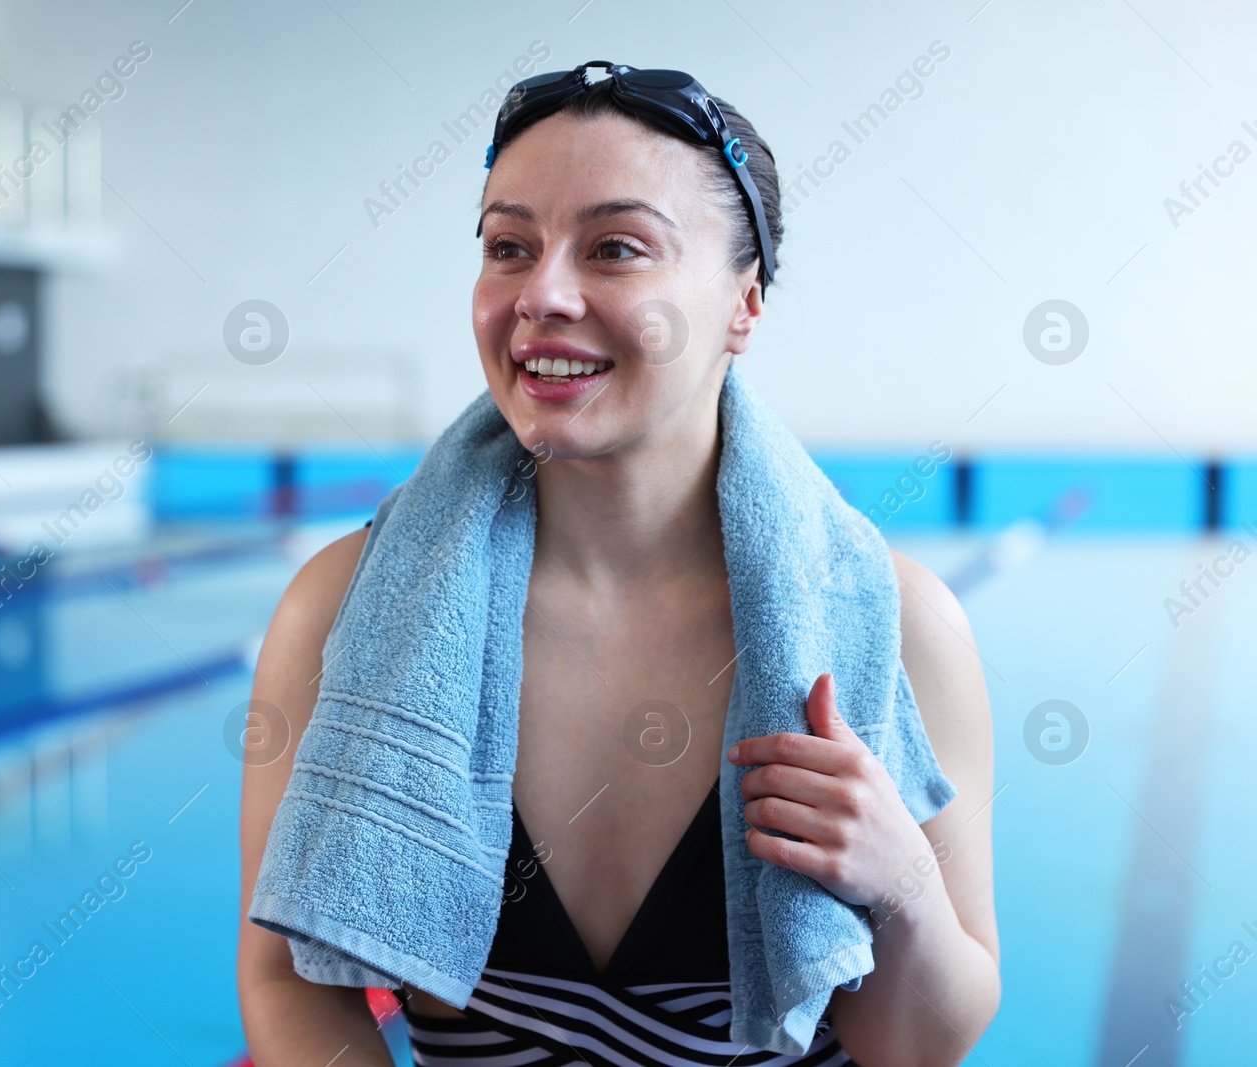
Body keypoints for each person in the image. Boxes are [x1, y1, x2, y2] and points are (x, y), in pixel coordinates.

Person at [237, 62, 999, 1066]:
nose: (541, 295)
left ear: (743, 303)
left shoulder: (899, 629)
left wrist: (901, 884)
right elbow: (285, 983)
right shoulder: (339, 610)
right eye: (509, 246)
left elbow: (916, 1045)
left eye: (615, 247)